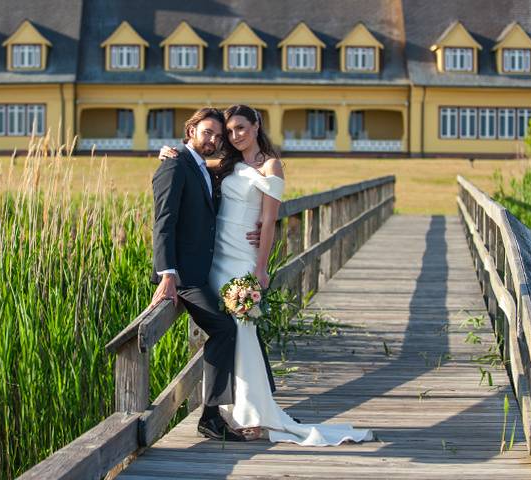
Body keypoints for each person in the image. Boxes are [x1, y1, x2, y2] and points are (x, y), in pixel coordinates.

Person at [159, 105, 373, 445]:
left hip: (243, 260)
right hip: (216, 260)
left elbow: (269, 222)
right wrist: (168, 152)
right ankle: (236, 410)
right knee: (235, 334)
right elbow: (191, 165)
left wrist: (260, 268)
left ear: (257, 125)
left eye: (240, 128)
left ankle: (255, 410)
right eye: (229, 131)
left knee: (242, 330)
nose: (233, 136)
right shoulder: (226, 163)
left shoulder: (270, 165)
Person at [150, 107, 268, 442]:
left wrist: (260, 226)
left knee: (238, 325)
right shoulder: (174, 164)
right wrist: (168, 276)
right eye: (207, 133)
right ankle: (211, 416)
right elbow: (164, 223)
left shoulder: (204, 167)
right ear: (191, 130)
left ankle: (236, 407)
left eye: (219, 135)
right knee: (226, 328)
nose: (214, 140)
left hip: (207, 270)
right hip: (184, 277)